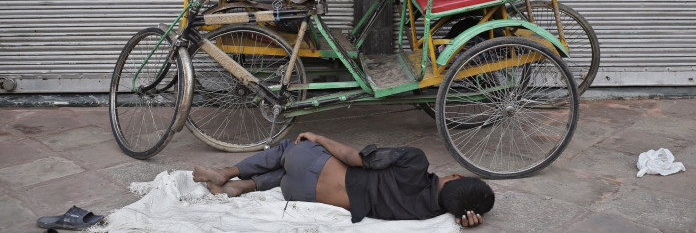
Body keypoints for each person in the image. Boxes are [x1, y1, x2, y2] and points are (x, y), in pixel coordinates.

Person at [193, 131, 494, 227]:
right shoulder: (429, 213)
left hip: (308, 169)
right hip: (300, 194)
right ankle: (242, 186)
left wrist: (317, 136)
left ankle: (228, 173)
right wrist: (464, 216)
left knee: (291, 148)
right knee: (288, 172)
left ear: (456, 176)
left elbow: (355, 157)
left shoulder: (415, 161)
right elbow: (453, 211)